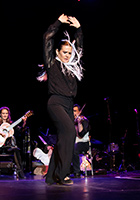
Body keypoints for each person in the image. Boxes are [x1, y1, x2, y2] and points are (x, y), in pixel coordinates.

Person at [41, 14, 84, 185]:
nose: (67, 55)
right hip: (55, 102)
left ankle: (51, 176)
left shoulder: (73, 66)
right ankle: (63, 174)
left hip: (68, 104)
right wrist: (58, 23)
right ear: (57, 52)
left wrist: (79, 29)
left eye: (69, 53)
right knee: (70, 132)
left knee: (63, 139)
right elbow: (47, 38)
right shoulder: (52, 63)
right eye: (64, 52)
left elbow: (79, 49)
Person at [0, 106, 27, 179]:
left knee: (16, 150)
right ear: (0, 114)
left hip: (8, 145)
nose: (5, 115)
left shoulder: (11, 123)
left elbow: (20, 131)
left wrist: (24, 122)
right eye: (3, 113)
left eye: (6, 113)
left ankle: (20, 172)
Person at [72, 104, 90, 178]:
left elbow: (81, 134)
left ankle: (77, 172)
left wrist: (79, 123)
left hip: (83, 143)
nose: (74, 113)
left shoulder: (84, 121)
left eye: (75, 111)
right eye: (73, 111)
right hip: (75, 143)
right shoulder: (72, 121)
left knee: (74, 149)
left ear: (80, 111)